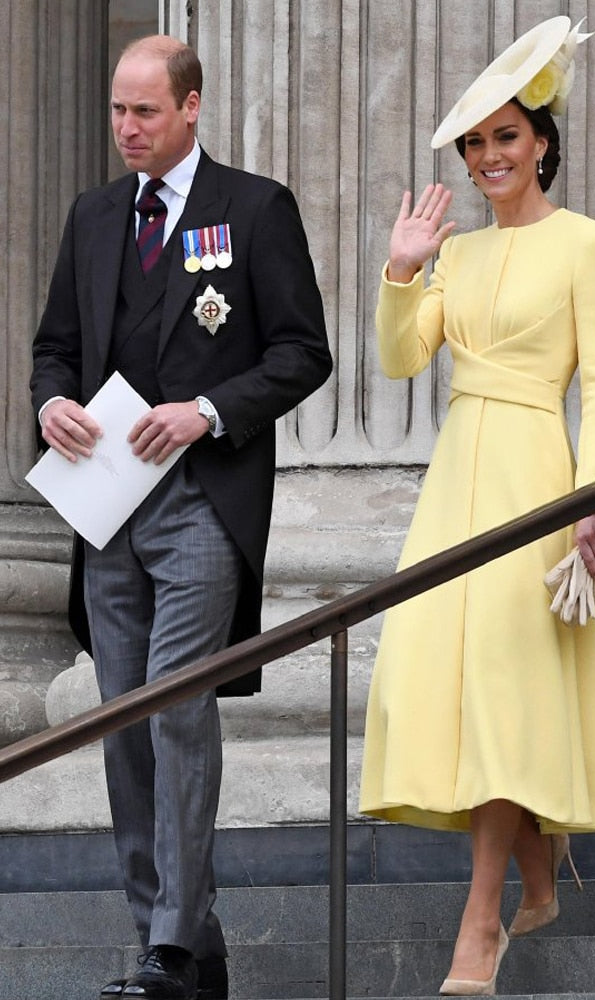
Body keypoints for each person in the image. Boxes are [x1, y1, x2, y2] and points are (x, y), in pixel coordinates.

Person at [30, 35, 332, 1000]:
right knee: (122, 723)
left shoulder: (255, 208)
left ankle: (166, 949)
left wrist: (205, 411)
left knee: (175, 711)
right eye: (118, 111)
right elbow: (54, 350)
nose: (125, 128)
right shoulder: (91, 216)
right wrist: (50, 403)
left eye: (145, 112)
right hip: (104, 510)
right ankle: (185, 944)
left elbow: (301, 351)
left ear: (192, 108)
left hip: (203, 501)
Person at [359, 16, 595, 995]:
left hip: (537, 481)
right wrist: (402, 268)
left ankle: (481, 927)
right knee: (436, 675)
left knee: (508, 693)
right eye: (475, 143)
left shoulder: (589, 245)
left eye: (505, 137)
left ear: (543, 141)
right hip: (456, 478)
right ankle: (538, 852)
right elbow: (399, 360)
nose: (487, 158)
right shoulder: (460, 257)